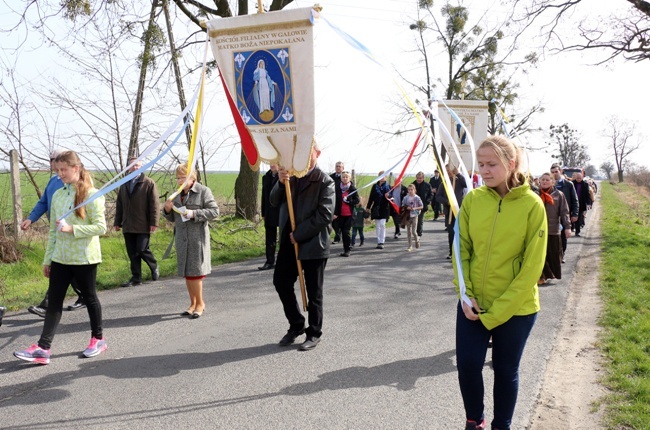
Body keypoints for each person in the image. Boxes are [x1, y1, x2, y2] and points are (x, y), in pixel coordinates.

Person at [453, 136, 547, 430]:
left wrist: (496, 315)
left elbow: (531, 269)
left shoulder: (532, 205)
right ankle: (474, 420)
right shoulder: (473, 200)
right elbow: (461, 250)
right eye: (481, 164)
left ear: (512, 163)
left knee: (505, 370)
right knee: (468, 365)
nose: (485, 170)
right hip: (474, 304)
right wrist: (465, 296)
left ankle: (501, 425)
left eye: (492, 164)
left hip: (517, 309)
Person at [14, 150, 108, 365]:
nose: (60, 174)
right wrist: (48, 259)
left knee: (91, 298)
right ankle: (43, 348)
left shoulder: (93, 195)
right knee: (54, 302)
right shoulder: (57, 195)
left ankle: (98, 339)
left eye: (63, 170)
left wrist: (72, 229)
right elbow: (53, 232)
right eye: (57, 170)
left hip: (85, 258)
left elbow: (101, 227)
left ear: (76, 168)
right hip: (60, 258)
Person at [270, 143, 334, 351]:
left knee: (314, 291)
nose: (306, 157)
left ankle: (314, 332)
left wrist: (299, 234)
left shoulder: (326, 181)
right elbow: (273, 201)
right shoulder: (292, 176)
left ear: (317, 153)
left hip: (314, 243)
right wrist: (280, 183)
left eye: (310, 153)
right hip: (289, 242)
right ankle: (297, 324)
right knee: (281, 282)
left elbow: (324, 215)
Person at [21, 149, 85, 317]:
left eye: (56, 160)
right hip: (56, 231)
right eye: (51, 160)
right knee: (65, 269)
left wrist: (72, 227)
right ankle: (85, 295)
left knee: (60, 269)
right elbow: (43, 202)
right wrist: (31, 219)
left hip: (71, 232)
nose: (53, 163)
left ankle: (48, 305)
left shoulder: (77, 184)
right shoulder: (52, 181)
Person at [162, 164, 219, 319]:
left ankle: (200, 303)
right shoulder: (176, 195)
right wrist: (167, 209)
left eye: (183, 177)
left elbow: (214, 211)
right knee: (187, 274)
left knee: (196, 274)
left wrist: (194, 213)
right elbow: (172, 217)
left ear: (192, 177)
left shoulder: (203, 191)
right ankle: (192, 304)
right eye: (178, 178)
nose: (180, 181)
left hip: (197, 239)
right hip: (182, 239)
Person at [114, 157, 160, 287]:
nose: (136, 168)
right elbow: (120, 204)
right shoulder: (124, 184)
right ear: (129, 168)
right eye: (133, 166)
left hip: (143, 224)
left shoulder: (148, 183)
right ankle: (136, 278)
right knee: (132, 252)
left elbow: (155, 205)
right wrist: (117, 222)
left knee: (142, 249)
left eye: (138, 166)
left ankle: (154, 265)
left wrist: (154, 222)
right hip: (128, 224)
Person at [537, 173, 571, 285]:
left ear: (552, 182)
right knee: (540, 254)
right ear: (539, 181)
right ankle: (542, 276)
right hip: (538, 230)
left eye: (547, 180)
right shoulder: (535, 195)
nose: (545, 182)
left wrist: (567, 227)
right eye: (543, 180)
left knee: (553, 254)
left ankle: (549, 274)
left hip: (553, 229)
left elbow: (564, 212)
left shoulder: (559, 195)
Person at [436, 164, 468, 259]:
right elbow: (438, 197)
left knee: (461, 233)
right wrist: (447, 201)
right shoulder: (444, 184)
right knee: (451, 232)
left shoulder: (459, 181)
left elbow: (466, 184)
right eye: (447, 171)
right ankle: (451, 252)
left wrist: (458, 174)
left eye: (450, 170)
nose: (449, 172)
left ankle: (461, 253)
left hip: (459, 211)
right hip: (449, 212)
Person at [550, 163, 578, 260]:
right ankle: (554, 256)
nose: (554, 174)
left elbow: (575, 200)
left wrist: (575, 213)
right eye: (552, 172)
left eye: (556, 172)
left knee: (563, 237)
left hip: (564, 214)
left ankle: (562, 254)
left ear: (560, 171)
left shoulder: (568, 184)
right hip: (552, 216)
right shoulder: (549, 185)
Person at [259, 164, 280, 270]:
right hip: (269, 212)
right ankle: (270, 261)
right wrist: (263, 213)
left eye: (274, 163)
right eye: (270, 163)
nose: (272, 165)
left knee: (283, 238)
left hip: (281, 211)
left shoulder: (283, 176)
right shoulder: (266, 177)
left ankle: (282, 261)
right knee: (269, 239)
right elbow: (264, 196)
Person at [333, 171, 359, 257]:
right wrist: (335, 213)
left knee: (346, 231)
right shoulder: (337, 188)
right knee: (340, 231)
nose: (345, 178)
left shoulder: (352, 189)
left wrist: (349, 201)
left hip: (349, 215)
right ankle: (345, 248)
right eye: (343, 177)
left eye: (346, 177)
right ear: (341, 178)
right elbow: (335, 201)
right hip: (340, 214)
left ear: (349, 178)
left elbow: (357, 200)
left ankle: (347, 250)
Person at [366, 172, 391, 249]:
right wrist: (368, 207)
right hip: (376, 208)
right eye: (380, 176)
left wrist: (388, 196)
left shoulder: (388, 186)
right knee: (377, 225)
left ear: (385, 177)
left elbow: (392, 197)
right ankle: (378, 240)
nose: (382, 178)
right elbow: (371, 197)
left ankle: (382, 241)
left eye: (383, 176)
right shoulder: (375, 186)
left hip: (385, 208)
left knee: (382, 224)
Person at [401, 184, 423, 252]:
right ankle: (410, 246)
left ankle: (417, 240)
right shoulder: (405, 198)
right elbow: (402, 205)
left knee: (414, 231)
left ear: (414, 190)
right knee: (409, 232)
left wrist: (415, 208)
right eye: (409, 190)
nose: (410, 191)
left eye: (411, 190)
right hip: (407, 216)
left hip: (415, 215)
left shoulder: (417, 198)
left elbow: (421, 206)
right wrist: (406, 207)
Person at [571, 172, 593, 237]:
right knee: (571, 216)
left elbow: (587, 194)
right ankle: (572, 228)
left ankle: (577, 232)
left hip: (581, 203)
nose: (578, 179)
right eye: (577, 178)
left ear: (582, 178)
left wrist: (588, 203)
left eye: (580, 178)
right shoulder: (572, 183)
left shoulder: (585, 184)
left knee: (579, 217)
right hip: (572, 203)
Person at [411, 171, 432, 237]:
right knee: (414, 221)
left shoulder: (427, 185)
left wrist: (427, 201)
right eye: (418, 178)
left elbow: (431, 194)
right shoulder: (413, 184)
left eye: (420, 178)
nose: (419, 179)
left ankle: (419, 233)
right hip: (413, 205)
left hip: (422, 206)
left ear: (423, 178)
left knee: (420, 220)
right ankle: (414, 232)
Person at [329, 161, 345, 244]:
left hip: (342, 201)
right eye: (337, 166)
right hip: (332, 199)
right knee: (333, 219)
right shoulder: (331, 177)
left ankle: (339, 235)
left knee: (340, 219)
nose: (338, 167)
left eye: (340, 166)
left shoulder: (345, 177)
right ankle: (337, 235)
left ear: (343, 168)